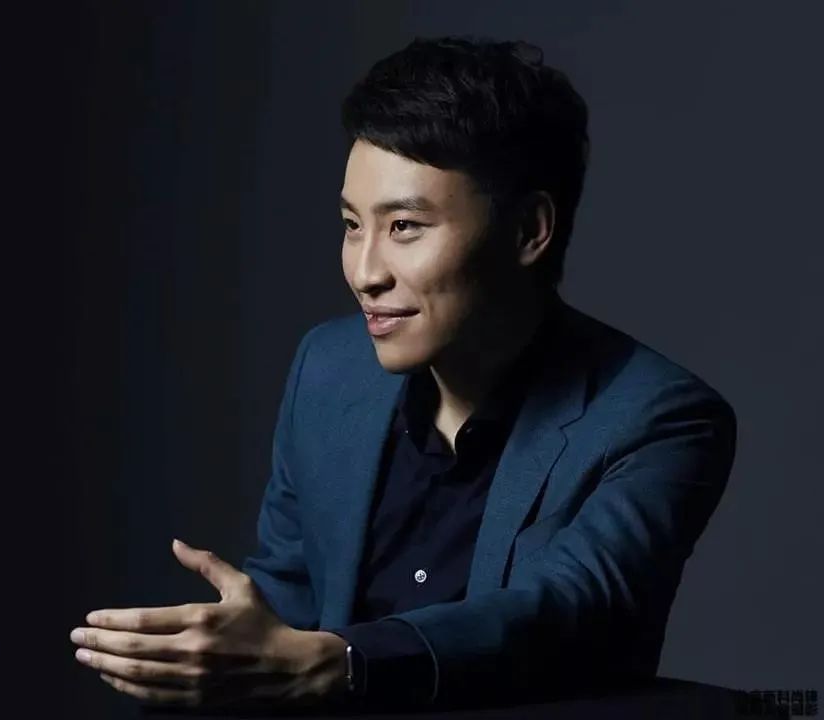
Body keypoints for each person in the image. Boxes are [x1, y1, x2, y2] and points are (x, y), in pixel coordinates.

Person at [68, 35, 737, 711]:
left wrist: (346, 663)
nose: (365, 273)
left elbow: (567, 612)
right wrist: (219, 648)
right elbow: (287, 606)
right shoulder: (328, 370)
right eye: (351, 224)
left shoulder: (660, 417)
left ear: (529, 231)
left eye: (405, 226)